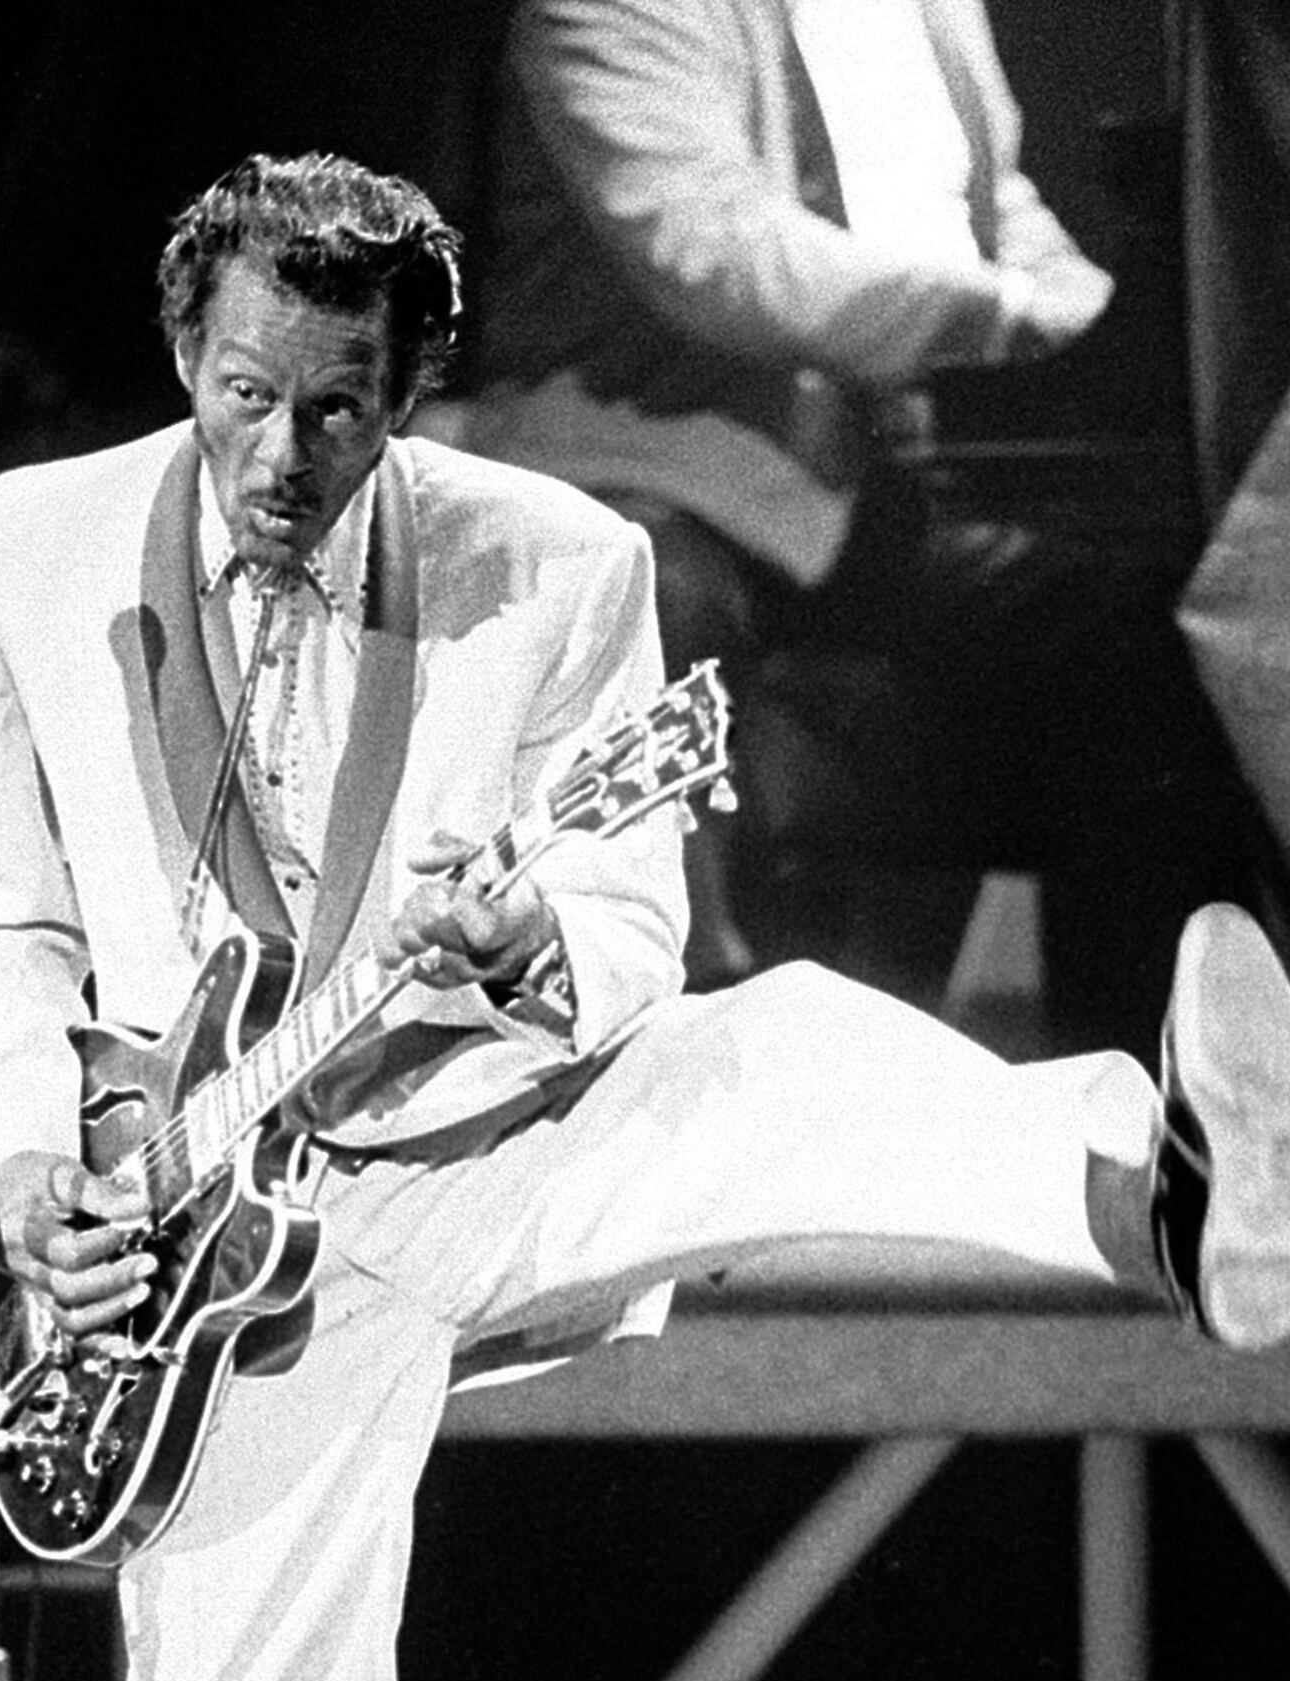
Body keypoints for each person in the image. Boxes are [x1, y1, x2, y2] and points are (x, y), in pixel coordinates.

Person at [0, 151, 1290, 1681]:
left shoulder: (560, 564)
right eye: (245, 394)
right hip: (191, 1267)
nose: (286, 453)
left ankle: (1140, 1174)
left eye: (341, 411)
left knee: (771, 1052)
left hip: (475, 1138)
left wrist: (533, 941)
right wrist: (34, 1176)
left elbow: (635, 919)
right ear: (183, 350)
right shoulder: (20, 559)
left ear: (413, 392)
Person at [458, 0, 1229, 1050]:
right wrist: (1004, 315)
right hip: (646, 487)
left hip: (861, 506)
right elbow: (715, 249)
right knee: (653, 601)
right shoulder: (610, 9)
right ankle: (660, 1084)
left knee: (1137, 631)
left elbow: (999, 212)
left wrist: (1113, 319)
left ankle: (1125, 1125)